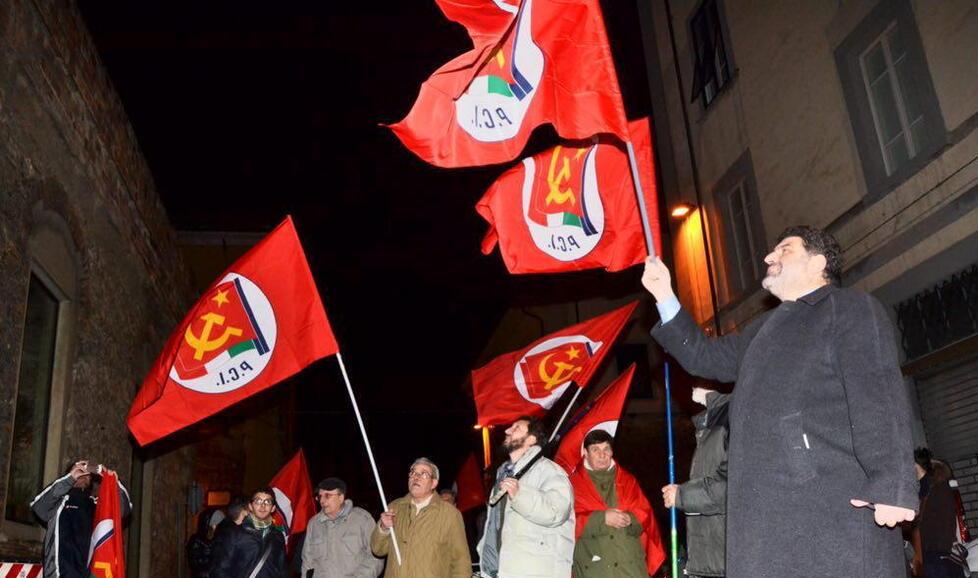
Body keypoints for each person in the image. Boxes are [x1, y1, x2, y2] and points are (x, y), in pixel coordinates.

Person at [643, 225, 918, 577]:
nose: (768, 256)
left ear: (817, 262)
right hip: (763, 518)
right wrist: (664, 294)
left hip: (830, 511)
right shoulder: (760, 330)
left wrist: (892, 485)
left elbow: (877, 395)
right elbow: (703, 357)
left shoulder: (849, 308)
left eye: (784, 249)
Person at [478, 416, 574, 578]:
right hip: (502, 571)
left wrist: (520, 495)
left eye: (516, 428)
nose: (507, 431)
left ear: (531, 439)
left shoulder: (549, 471)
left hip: (534, 571)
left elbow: (557, 512)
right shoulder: (503, 475)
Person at [571, 429, 665, 578]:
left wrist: (630, 520)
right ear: (585, 453)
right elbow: (566, 523)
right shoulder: (572, 485)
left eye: (606, 449)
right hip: (593, 570)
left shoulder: (628, 480)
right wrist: (602, 519)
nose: (602, 455)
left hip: (630, 568)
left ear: (612, 452)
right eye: (595, 450)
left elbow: (646, 515)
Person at [662, 387, 729, 578]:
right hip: (710, 559)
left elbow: (729, 487)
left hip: (726, 560)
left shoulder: (733, 421)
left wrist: (682, 495)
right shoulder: (708, 430)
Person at [31, 459, 132, 578]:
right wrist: (69, 479)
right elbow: (39, 507)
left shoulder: (97, 506)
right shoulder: (58, 502)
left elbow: (123, 511)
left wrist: (112, 481)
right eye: (80, 469)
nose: (83, 473)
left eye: (87, 471)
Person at [371, 457, 470, 578]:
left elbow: (461, 563)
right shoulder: (395, 507)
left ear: (434, 483)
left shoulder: (449, 514)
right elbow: (377, 549)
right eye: (413, 473)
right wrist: (383, 528)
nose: (416, 477)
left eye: (424, 474)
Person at [302, 477, 382, 578]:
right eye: (320, 496)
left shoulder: (362, 520)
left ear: (341, 497)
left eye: (327, 496)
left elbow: (376, 557)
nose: (322, 500)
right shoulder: (314, 524)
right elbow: (307, 562)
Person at [210, 487, 286, 578]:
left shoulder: (278, 536)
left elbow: (281, 569)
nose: (263, 505)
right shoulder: (235, 534)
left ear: (273, 508)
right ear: (250, 506)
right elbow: (220, 570)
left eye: (268, 502)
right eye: (258, 501)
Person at [911, 448, 961, 578]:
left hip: (935, 553)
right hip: (934, 553)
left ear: (916, 466)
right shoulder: (930, 486)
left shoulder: (933, 487)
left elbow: (943, 521)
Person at [188, 508, 220, 578]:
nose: (216, 526)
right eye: (214, 524)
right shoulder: (196, 540)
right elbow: (194, 564)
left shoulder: (217, 538)